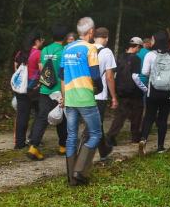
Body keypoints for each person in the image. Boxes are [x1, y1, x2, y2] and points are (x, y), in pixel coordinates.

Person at [60, 17, 103, 185]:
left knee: (71, 136)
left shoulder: (67, 48)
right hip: (85, 98)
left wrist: (64, 96)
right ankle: (80, 170)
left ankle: (71, 178)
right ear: (91, 31)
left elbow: (62, 76)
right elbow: (95, 75)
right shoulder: (90, 48)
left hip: (70, 98)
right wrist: (99, 89)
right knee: (96, 133)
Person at [27, 26, 68, 160]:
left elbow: (41, 67)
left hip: (45, 89)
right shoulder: (64, 51)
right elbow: (65, 73)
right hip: (58, 91)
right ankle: (63, 147)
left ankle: (33, 147)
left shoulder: (44, 50)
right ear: (65, 37)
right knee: (62, 119)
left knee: (41, 117)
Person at [138, 32, 170, 155]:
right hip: (168, 93)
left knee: (149, 116)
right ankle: (160, 147)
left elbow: (145, 72)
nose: (151, 41)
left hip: (153, 91)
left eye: (152, 39)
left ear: (156, 41)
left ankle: (143, 139)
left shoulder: (150, 55)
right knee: (163, 118)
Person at [107, 38, 147, 145]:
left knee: (120, 116)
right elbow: (135, 77)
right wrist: (145, 89)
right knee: (137, 114)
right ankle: (135, 137)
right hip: (134, 92)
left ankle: (111, 136)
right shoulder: (136, 59)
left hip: (121, 91)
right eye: (140, 47)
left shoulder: (120, 57)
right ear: (137, 47)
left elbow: (115, 75)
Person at [13, 30, 44, 150]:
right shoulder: (38, 54)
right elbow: (42, 71)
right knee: (40, 113)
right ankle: (33, 138)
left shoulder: (20, 53)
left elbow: (16, 69)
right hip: (33, 89)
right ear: (36, 41)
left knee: (22, 115)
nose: (42, 42)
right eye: (41, 40)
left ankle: (19, 143)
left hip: (20, 88)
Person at [93, 27, 119, 161]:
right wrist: (114, 97)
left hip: (85, 93)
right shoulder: (107, 52)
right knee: (96, 126)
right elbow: (109, 77)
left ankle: (103, 150)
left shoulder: (87, 49)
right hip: (99, 94)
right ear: (106, 37)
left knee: (96, 125)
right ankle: (85, 156)